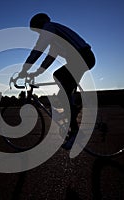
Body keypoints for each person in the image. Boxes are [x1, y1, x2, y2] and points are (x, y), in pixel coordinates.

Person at [18, 13, 96, 150]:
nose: (39, 34)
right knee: (64, 93)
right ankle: (74, 109)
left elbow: (38, 49)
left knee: (59, 76)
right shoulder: (56, 39)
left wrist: (24, 69)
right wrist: (37, 72)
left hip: (82, 57)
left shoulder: (49, 27)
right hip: (84, 58)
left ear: (39, 24)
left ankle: (76, 132)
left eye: (37, 31)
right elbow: (50, 58)